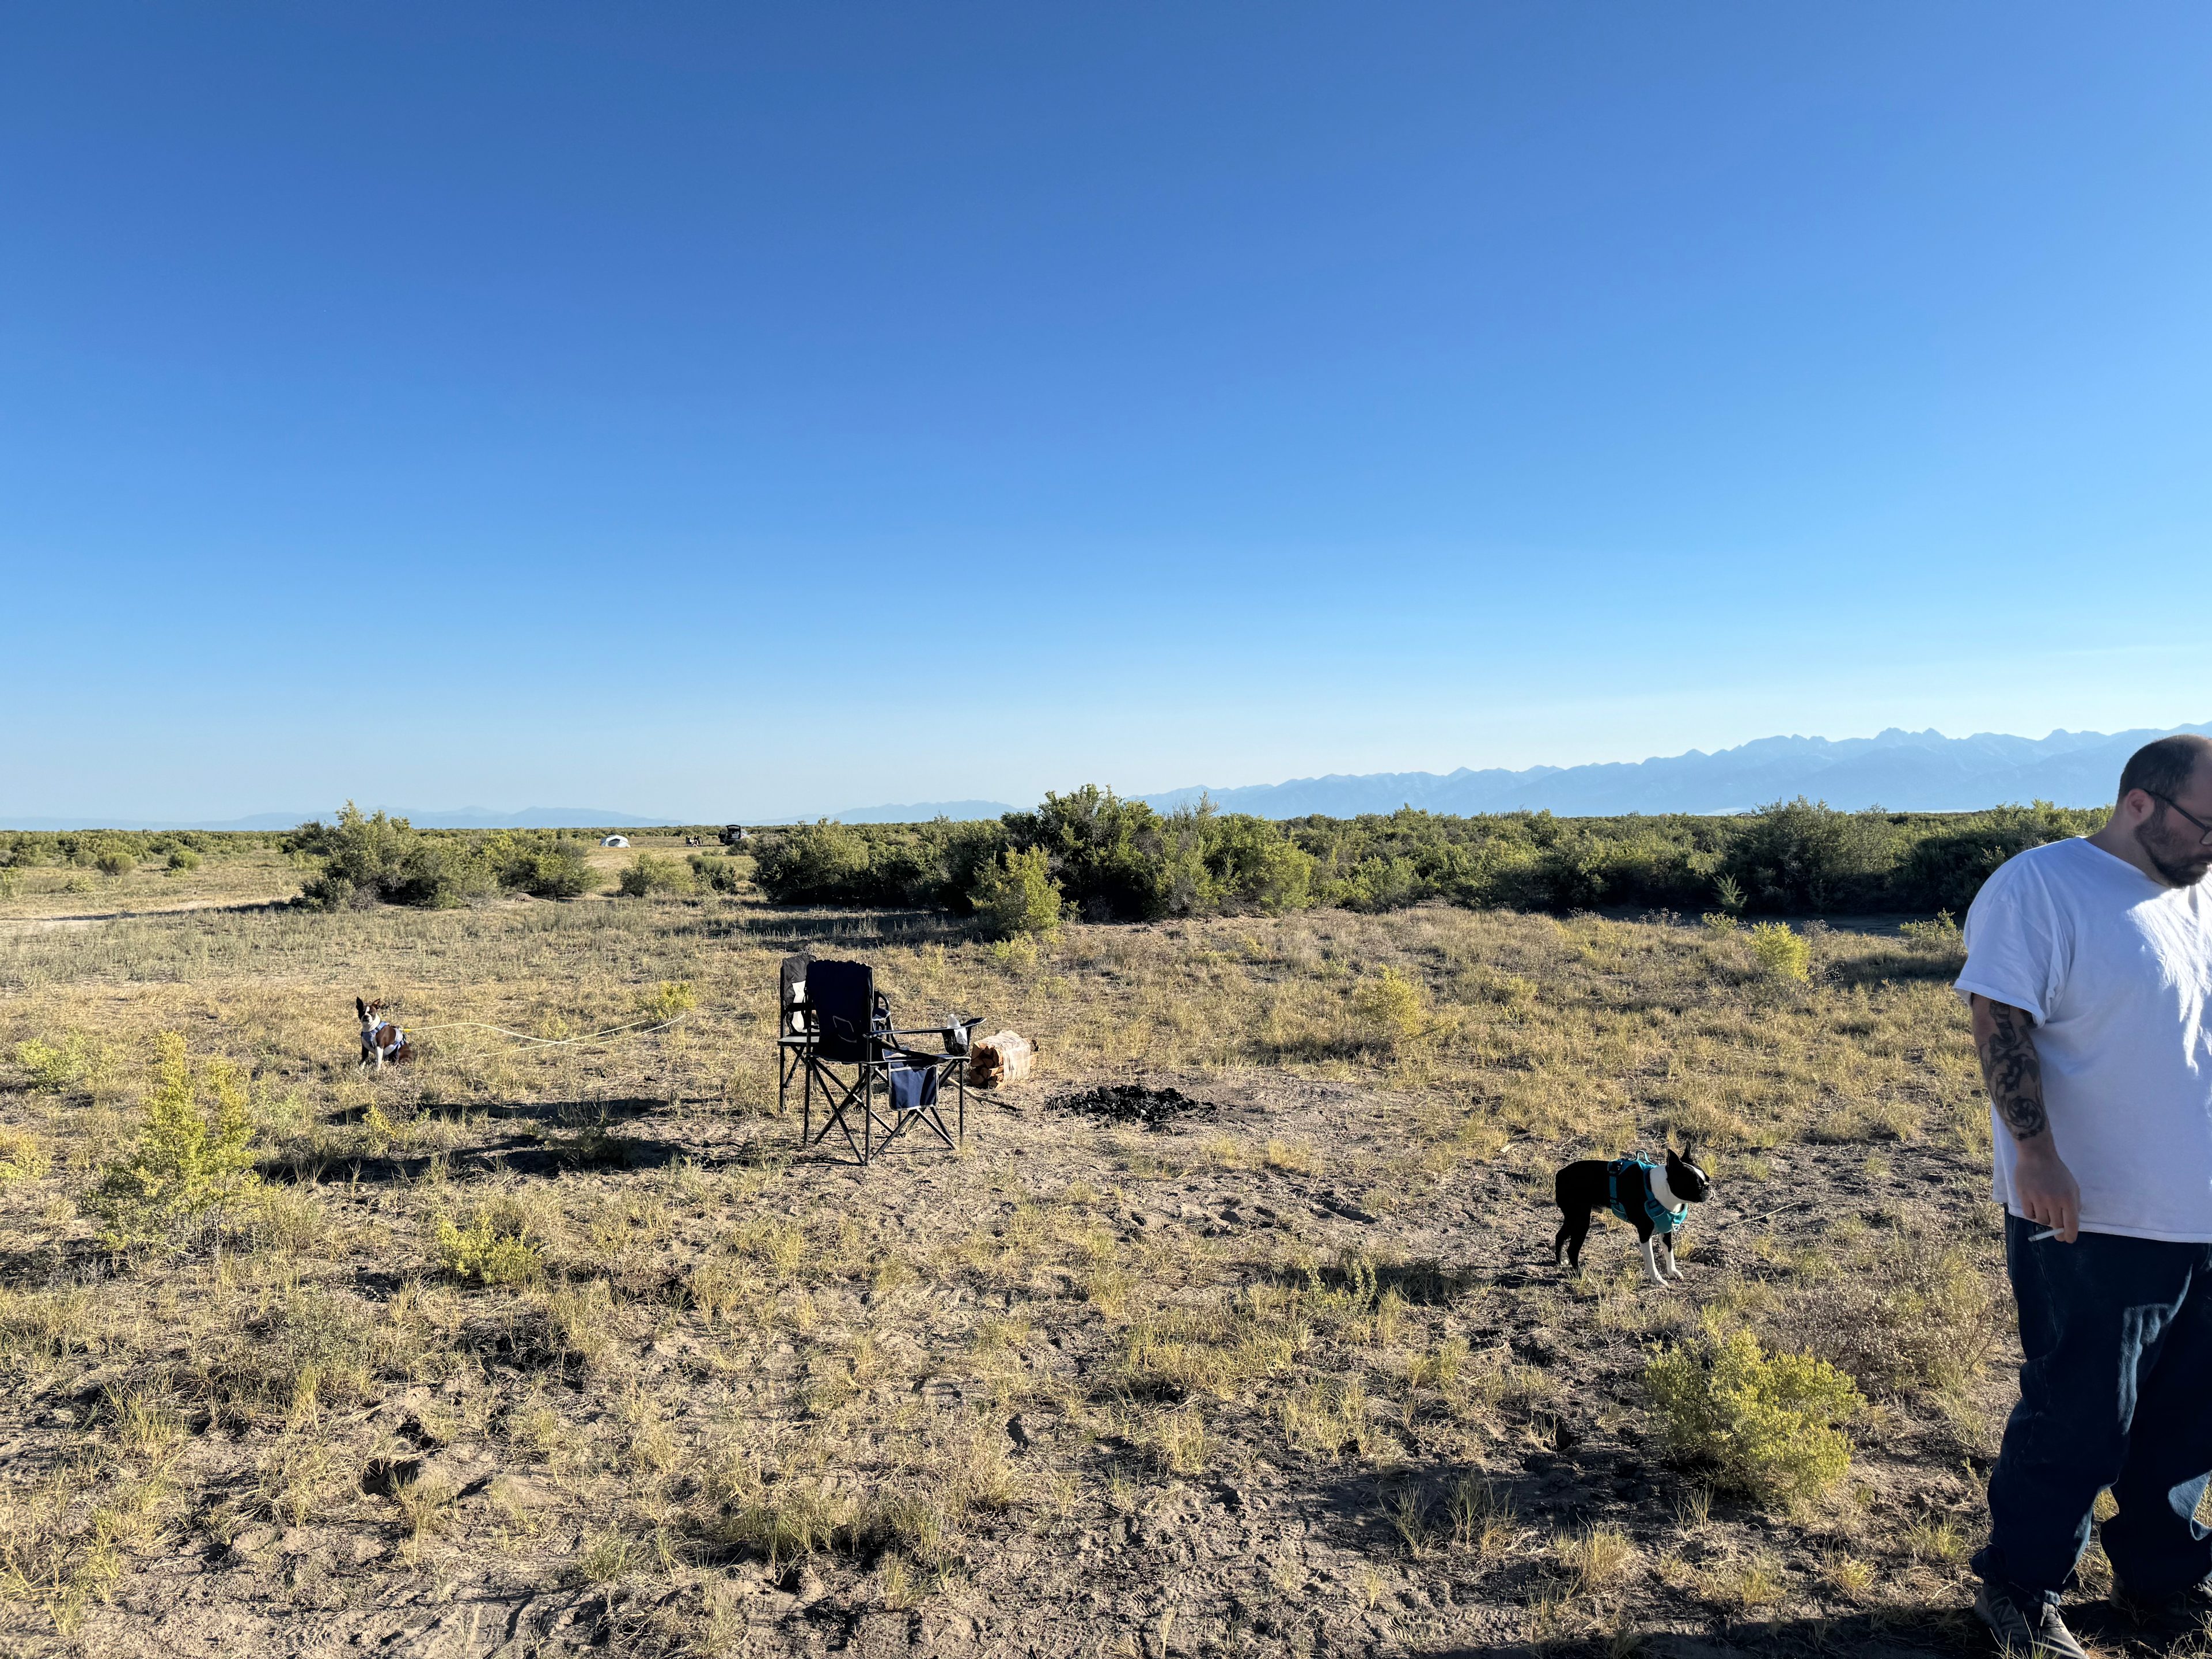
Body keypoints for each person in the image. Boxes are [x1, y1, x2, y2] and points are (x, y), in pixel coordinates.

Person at [1956, 732, 2212, 1657]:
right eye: (2208, 824)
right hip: (2089, 1215)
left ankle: (2166, 1584)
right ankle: (2021, 1591)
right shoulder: (2041, 885)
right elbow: (2000, 1016)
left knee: (2189, 1418)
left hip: (2200, 1217)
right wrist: (2035, 1153)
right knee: (2079, 1416)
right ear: (2141, 803)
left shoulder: (2199, 897)